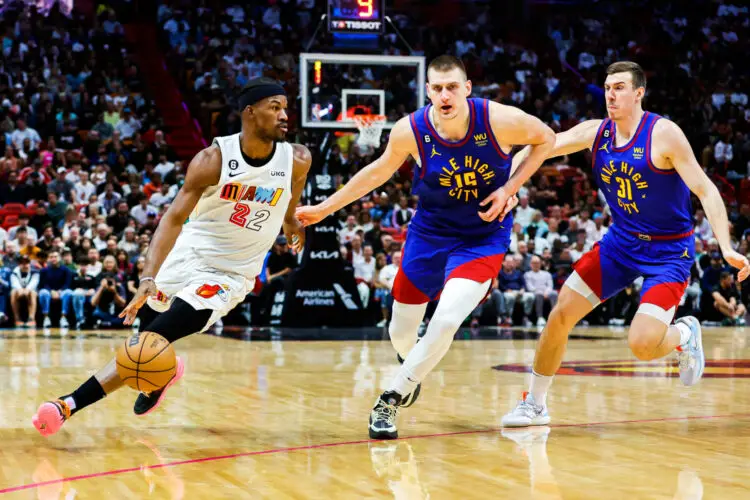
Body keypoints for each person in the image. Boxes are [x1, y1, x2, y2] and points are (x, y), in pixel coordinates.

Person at [32, 77, 312, 436]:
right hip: (189, 253)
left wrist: (290, 222)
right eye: (275, 107)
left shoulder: (297, 159)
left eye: (285, 107)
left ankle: (67, 405)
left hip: (229, 273)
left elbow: (292, 195)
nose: (284, 115)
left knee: (157, 338)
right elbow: (173, 218)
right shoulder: (213, 160)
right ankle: (159, 377)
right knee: (144, 334)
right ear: (250, 112)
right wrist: (148, 277)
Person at [296, 55, 555, 439]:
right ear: (427, 90)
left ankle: (390, 398)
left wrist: (509, 188)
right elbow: (377, 171)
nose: (445, 95)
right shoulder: (410, 129)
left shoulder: (498, 119)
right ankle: (411, 362)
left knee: (447, 319)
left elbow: (546, 138)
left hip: (482, 238)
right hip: (429, 235)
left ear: (467, 88)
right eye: (437, 88)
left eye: (452, 87)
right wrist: (324, 208)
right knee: (401, 333)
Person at [501, 61, 750, 428]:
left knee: (642, 343)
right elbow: (541, 146)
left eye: (619, 87)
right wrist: (507, 184)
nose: (611, 95)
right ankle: (535, 404)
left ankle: (684, 333)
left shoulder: (664, 134)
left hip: (669, 252)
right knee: (560, 315)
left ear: (638, 93)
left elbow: (706, 189)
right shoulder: (596, 132)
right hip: (621, 244)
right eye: (606, 87)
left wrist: (725, 246)